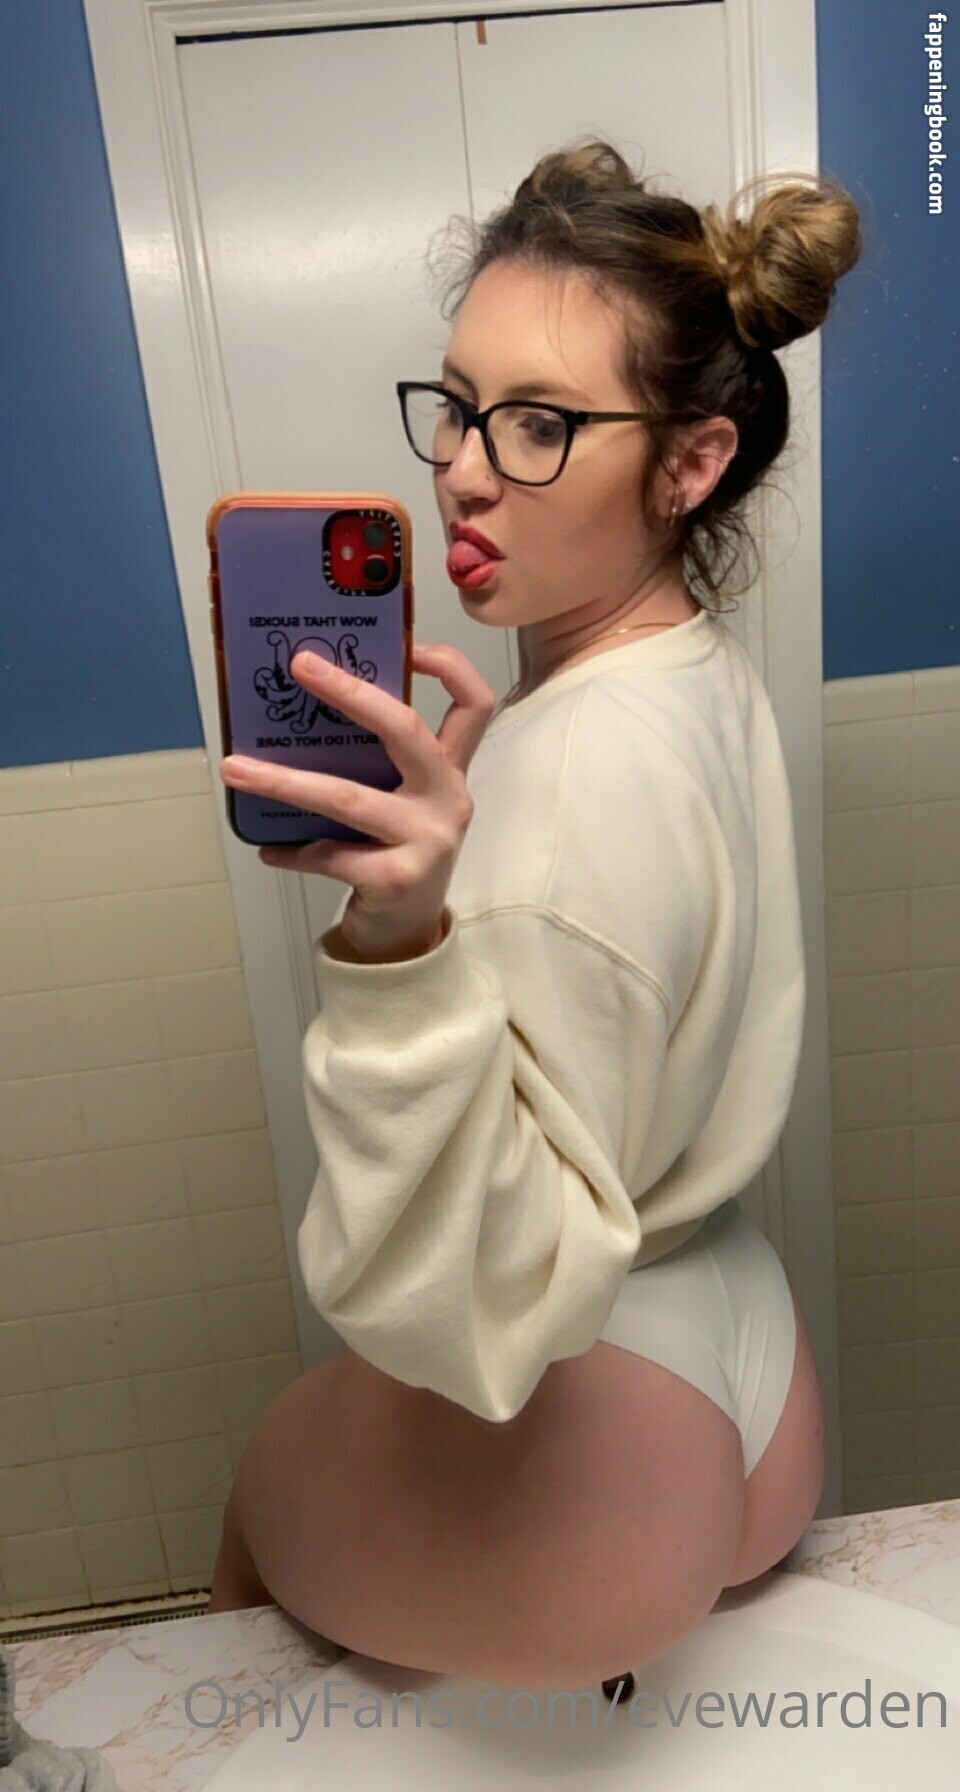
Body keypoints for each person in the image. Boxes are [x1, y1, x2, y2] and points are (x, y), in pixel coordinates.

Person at [209, 138, 862, 1692]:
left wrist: (395, 951)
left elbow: (462, 1300)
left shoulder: (566, 776)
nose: (463, 468)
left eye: (542, 424)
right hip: (730, 1339)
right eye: (459, 404)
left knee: (252, 1528)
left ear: (689, 465)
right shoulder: (685, 670)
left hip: (587, 1416)